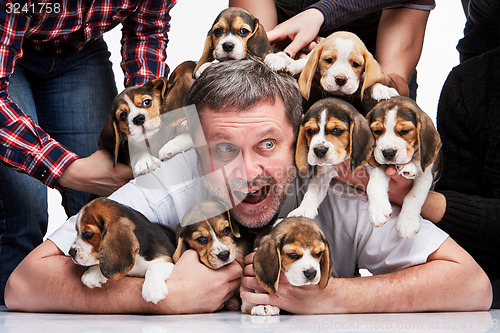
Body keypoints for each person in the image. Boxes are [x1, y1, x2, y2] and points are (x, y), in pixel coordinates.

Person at [4, 60, 491, 314]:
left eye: (266, 144)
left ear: (301, 141)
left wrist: (336, 295)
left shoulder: (337, 185)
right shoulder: (171, 177)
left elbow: (472, 286)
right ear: (194, 148)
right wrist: (160, 296)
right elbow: (24, 284)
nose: (247, 171)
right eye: (224, 149)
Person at [0, 0, 175, 304]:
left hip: (78, 50)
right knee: (23, 215)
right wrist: (70, 170)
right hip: (7, 48)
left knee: (101, 206)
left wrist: (145, 121)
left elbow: (147, 31)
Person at [229, 0, 433, 99]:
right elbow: (252, 58)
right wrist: (292, 60)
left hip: (365, 101)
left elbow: (395, 82)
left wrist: (361, 73)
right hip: (280, 91)